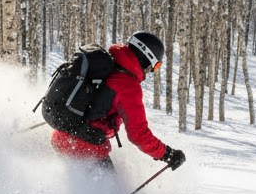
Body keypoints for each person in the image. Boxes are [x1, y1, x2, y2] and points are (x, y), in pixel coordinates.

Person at [50, 31, 187, 173]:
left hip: (63, 134)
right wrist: (167, 154)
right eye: (155, 66)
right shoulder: (128, 85)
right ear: (147, 58)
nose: (151, 71)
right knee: (111, 191)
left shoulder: (108, 65)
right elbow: (139, 134)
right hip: (84, 147)